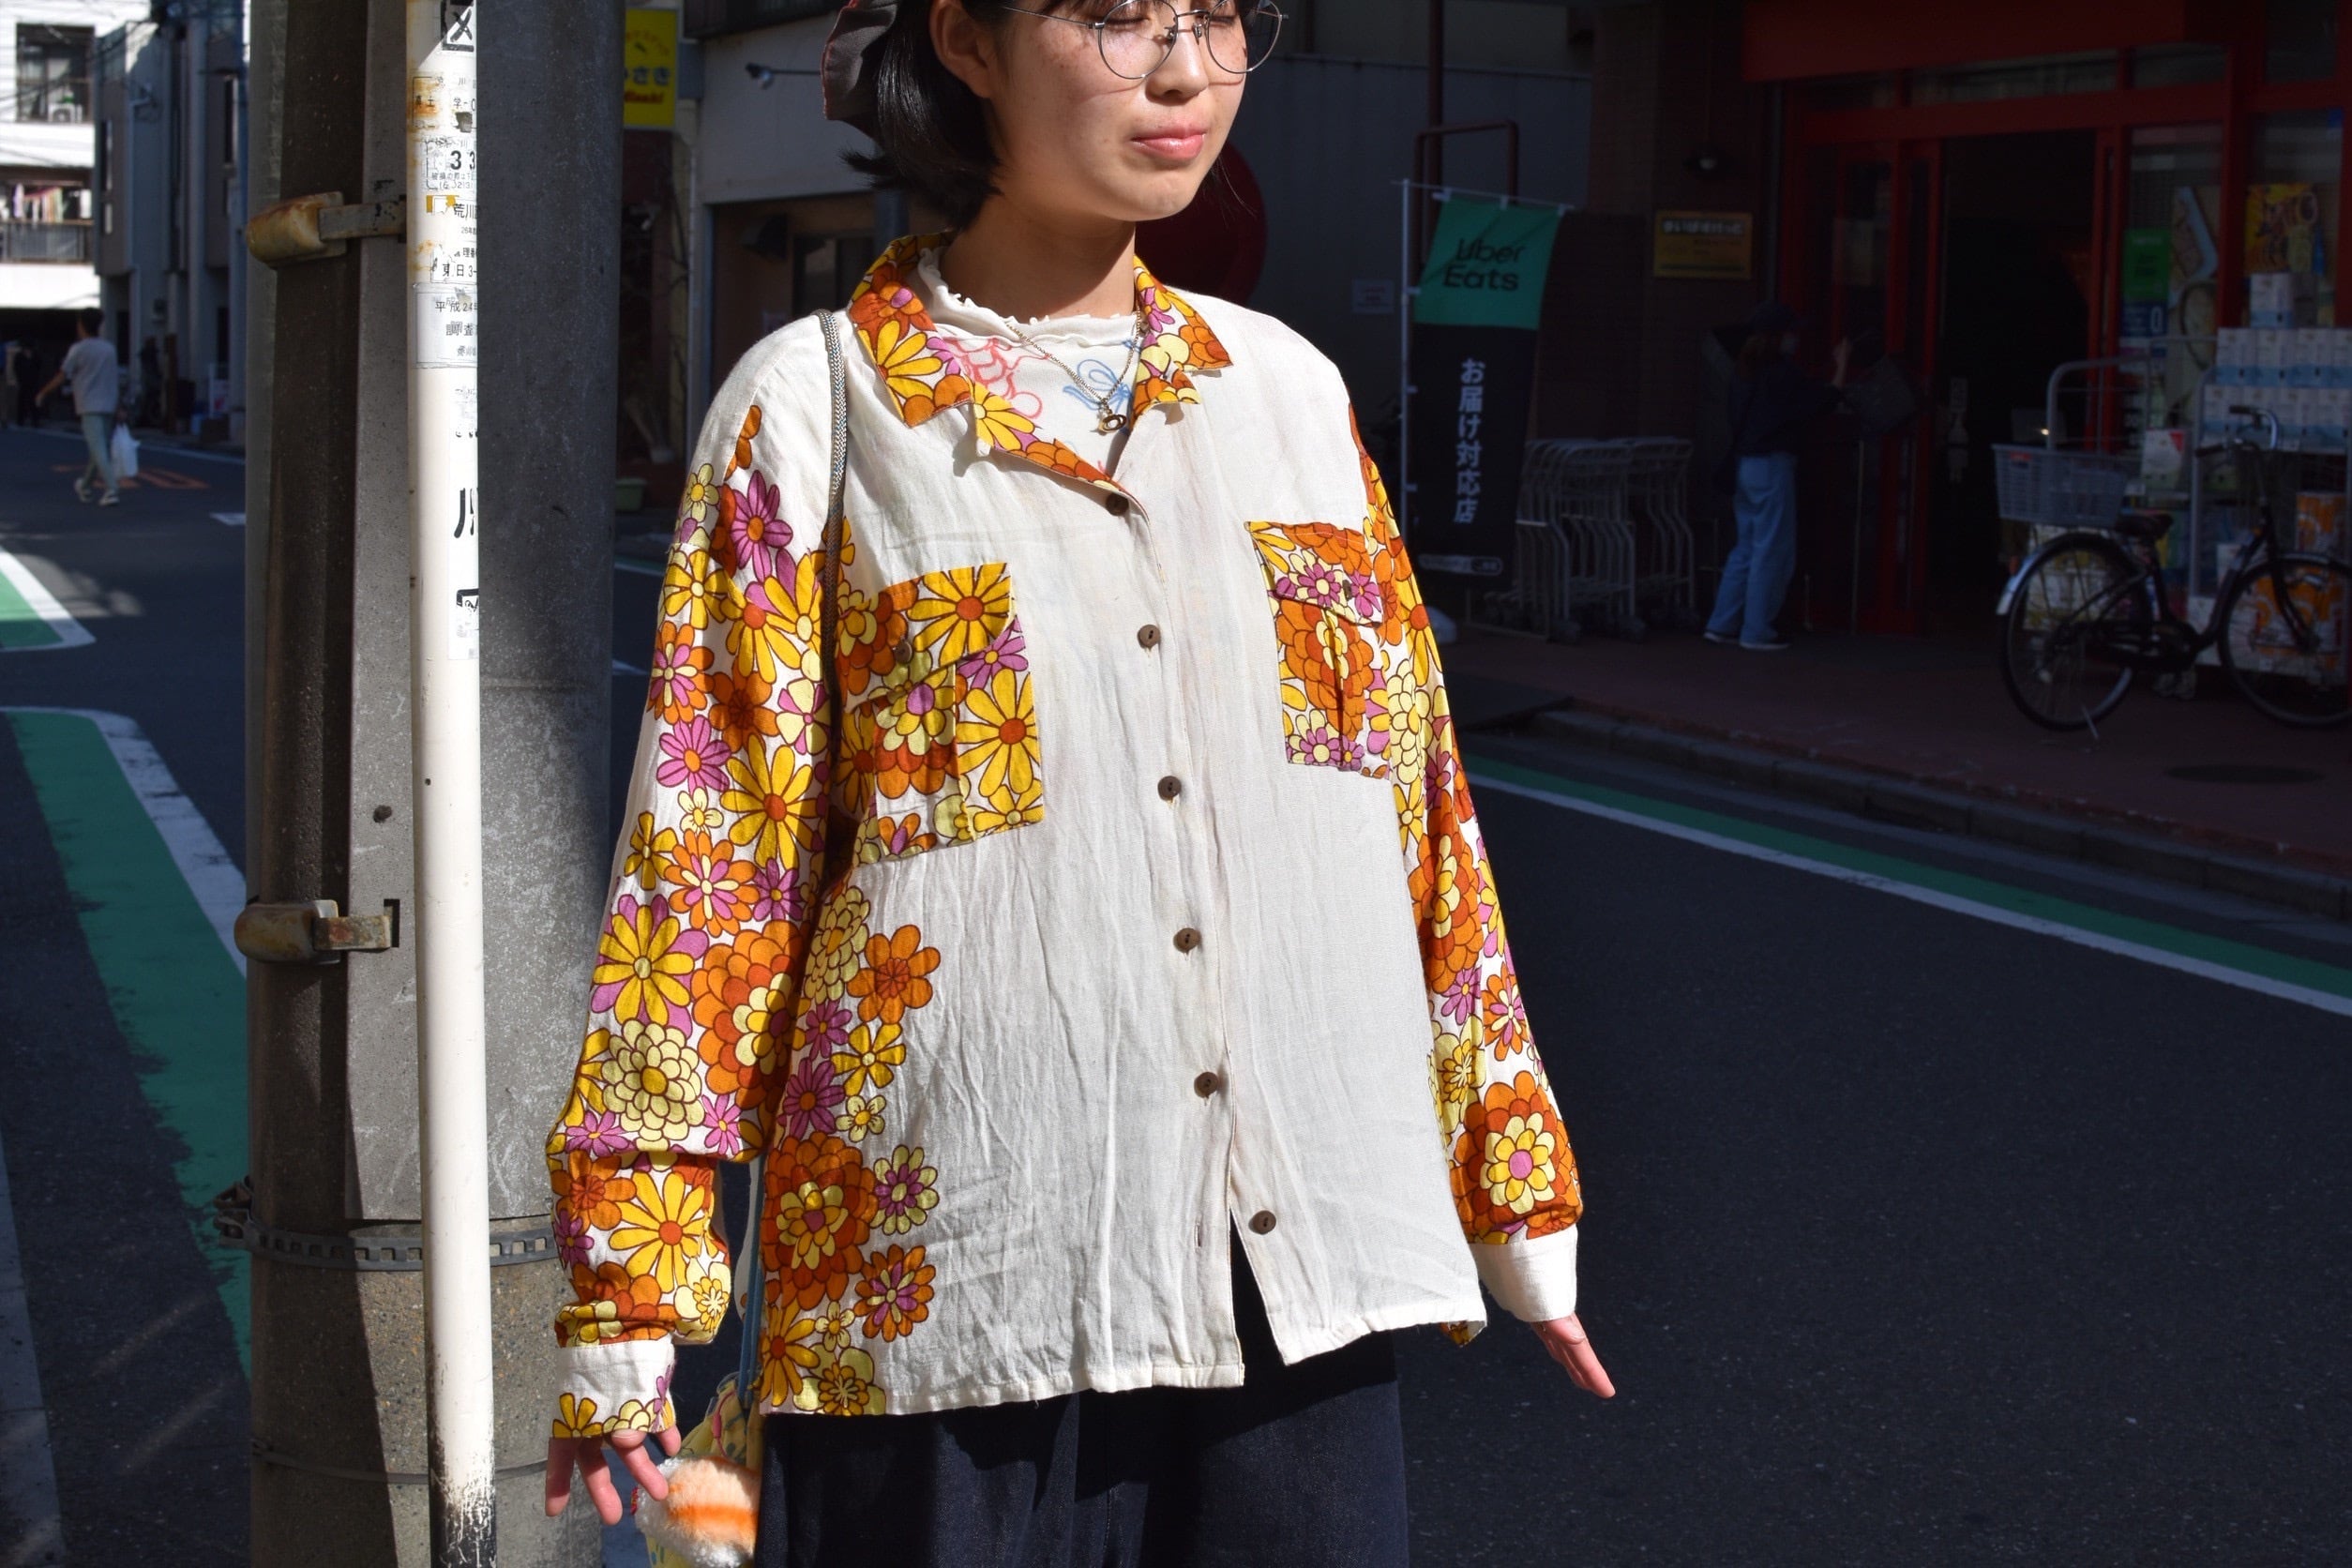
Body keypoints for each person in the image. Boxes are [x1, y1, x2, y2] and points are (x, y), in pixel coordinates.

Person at [542, 1, 1613, 1561]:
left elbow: (1415, 812)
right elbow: (708, 866)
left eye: (1216, 16)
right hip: (945, 1280)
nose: (1182, 70)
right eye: (1113, 15)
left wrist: (1513, 1187)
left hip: (1293, 1277)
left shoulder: (1289, 397)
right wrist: (630, 1291)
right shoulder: (817, 406)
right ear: (967, 42)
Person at [1704, 300, 1847, 651]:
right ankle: (1757, 630)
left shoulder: (1743, 371)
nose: (1794, 339)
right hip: (1771, 465)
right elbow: (1822, 401)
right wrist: (1842, 365)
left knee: (1746, 548)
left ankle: (1722, 623)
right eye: (1791, 333)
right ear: (1778, 336)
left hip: (1744, 464)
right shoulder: (1782, 373)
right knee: (1771, 549)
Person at [38, 309, 121, 506]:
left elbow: (62, 375)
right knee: (99, 449)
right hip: (108, 403)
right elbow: (114, 378)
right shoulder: (109, 349)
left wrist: (43, 392)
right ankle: (85, 485)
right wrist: (120, 405)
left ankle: (112, 489)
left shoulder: (78, 349)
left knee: (98, 449)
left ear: (81, 325)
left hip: (89, 405)